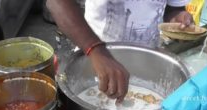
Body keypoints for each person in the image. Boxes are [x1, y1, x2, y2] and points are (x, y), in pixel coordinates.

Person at [47, 0, 194, 102]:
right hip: (93, 60)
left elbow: (173, 8)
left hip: (147, 60)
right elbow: (57, 3)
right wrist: (96, 50)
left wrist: (177, 19)